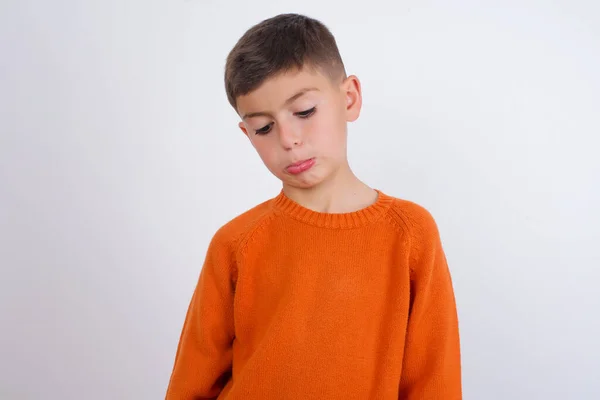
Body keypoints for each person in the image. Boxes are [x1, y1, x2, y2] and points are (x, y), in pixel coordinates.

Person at [166, 13, 461, 399]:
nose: (288, 139)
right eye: (263, 128)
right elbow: (192, 383)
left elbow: (434, 382)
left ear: (349, 98)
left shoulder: (410, 234)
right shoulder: (235, 243)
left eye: (304, 112)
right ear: (246, 133)